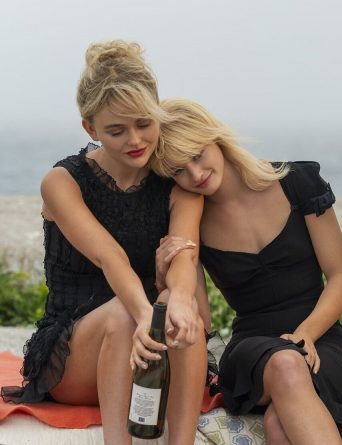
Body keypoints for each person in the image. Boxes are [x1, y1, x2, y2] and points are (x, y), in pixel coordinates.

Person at [0, 41, 208, 444]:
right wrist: (144, 313)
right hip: (75, 354)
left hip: (148, 348)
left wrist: (180, 298)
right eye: (116, 130)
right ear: (90, 129)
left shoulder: (176, 184)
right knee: (123, 313)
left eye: (144, 123)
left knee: (176, 305)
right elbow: (110, 257)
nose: (135, 139)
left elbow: (184, 254)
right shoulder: (63, 182)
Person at [149, 98, 342, 445]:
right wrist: (165, 278)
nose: (195, 174)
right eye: (178, 170)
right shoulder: (194, 215)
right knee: (286, 364)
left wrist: (306, 333)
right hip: (251, 350)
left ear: (215, 138)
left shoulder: (298, 183)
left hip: (322, 338)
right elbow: (202, 322)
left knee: (279, 425)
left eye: (197, 155)